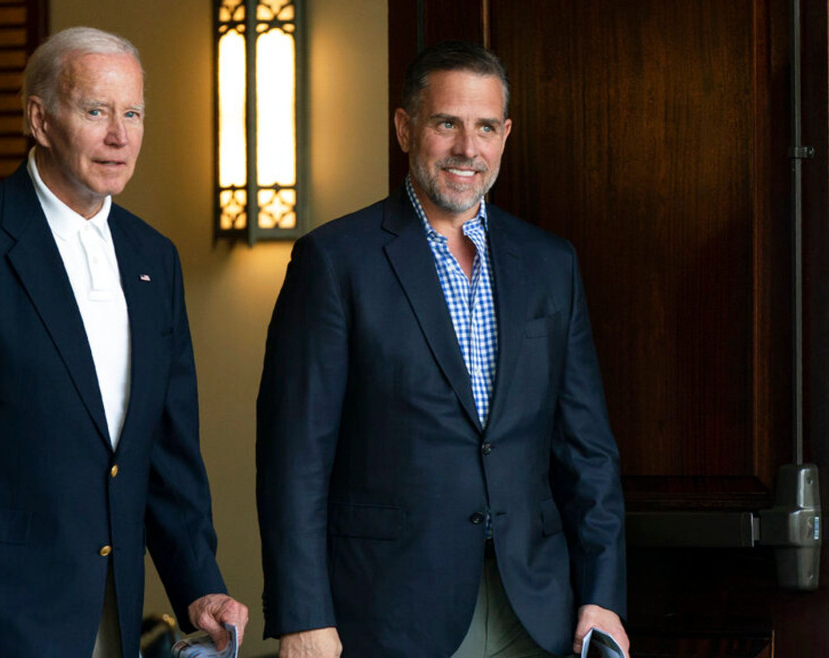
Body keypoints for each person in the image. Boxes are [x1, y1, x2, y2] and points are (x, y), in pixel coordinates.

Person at [256, 41, 627, 658]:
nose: (467, 148)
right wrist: (302, 615)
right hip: (386, 612)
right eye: (446, 123)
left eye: (485, 127)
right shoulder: (334, 261)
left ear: (505, 135)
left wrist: (604, 595)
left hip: (534, 611)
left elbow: (587, 449)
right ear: (405, 128)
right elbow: (295, 457)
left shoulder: (549, 264)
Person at [0, 26, 247, 658]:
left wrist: (199, 585)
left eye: (133, 113)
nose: (120, 136)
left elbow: (168, 450)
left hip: (115, 612)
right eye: (96, 111)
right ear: (39, 119)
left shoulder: (154, 257)